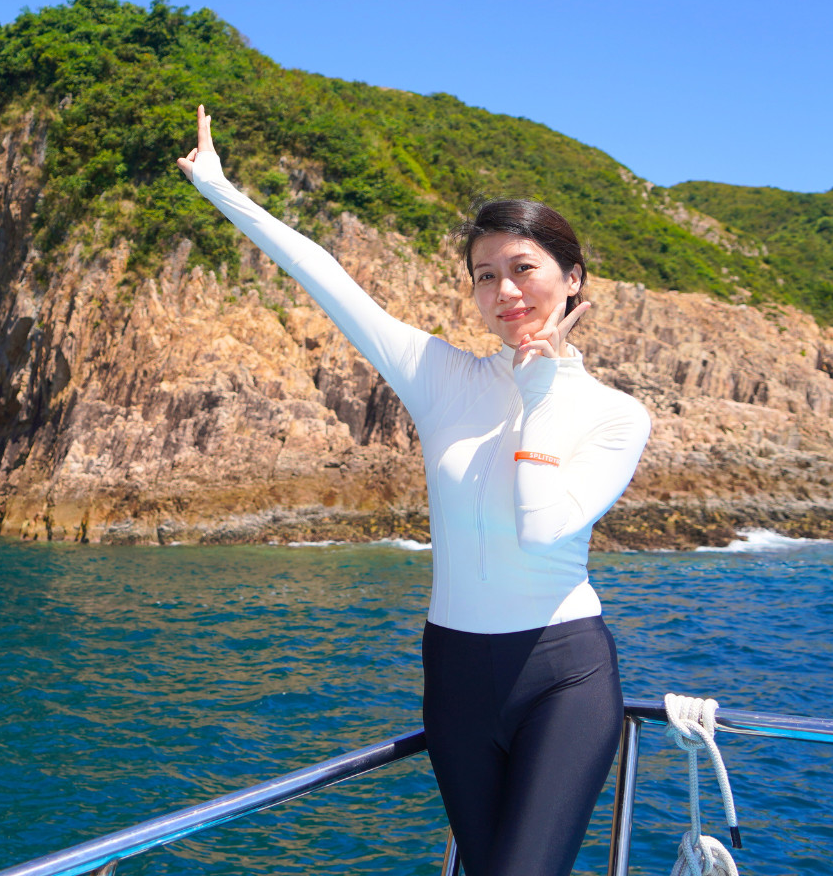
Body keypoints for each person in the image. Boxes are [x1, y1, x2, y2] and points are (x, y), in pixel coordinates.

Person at [176, 106, 652, 876]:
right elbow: (329, 280)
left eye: (523, 268)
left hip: (562, 674)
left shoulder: (615, 415)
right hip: (455, 672)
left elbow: (541, 529)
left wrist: (538, 400)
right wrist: (221, 190)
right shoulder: (443, 379)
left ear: (574, 279)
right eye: (485, 276)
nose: (505, 292)